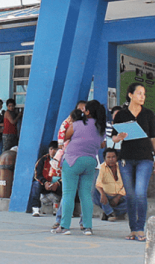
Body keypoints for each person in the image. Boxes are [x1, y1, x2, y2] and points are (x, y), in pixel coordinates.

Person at [53, 100, 122, 236]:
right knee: (86, 195)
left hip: (72, 160)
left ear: (88, 112)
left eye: (85, 110)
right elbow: (102, 145)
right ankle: (87, 227)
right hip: (90, 161)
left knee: (68, 194)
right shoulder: (100, 127)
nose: (83, 112)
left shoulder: (77, 124)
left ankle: (64, 226)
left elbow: (65, 135)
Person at [112, 82, 155, 242]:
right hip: (126, 158)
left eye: (144, 94)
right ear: (130, 95)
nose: (142, 97)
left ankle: (140, 228)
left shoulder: (148, 114)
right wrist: (119, 138)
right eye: (139, 93)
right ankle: (133, 229)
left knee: (140, 193)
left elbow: (153, 137)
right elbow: (113, 136)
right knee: (130, 195)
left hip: (145, 157)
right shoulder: (121, 115)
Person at [28, 141, 62, 216]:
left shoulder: (63, 161)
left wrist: (57, 183)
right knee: (36, 184)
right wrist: (45, 182)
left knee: (69, 186)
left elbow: (67, 175)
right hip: (45, 185)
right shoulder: (43, 160)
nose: (52, 151)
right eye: (51, 149)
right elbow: (37, 175)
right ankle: (35, 209)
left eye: (55, 149)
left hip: (59, 186)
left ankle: (64, 210)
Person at [93, 148, 127, 221]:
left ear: (117, 157)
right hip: (107, 196)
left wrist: (118, 197)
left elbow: (127, 184)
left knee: (134, 200)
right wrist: (102, 194)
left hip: (120, 195)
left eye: (113, 157)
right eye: (108, 157)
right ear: (104, 159)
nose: (111, 159)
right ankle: (110, 213)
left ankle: (108, 212)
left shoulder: (122, 167)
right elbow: (98, 184)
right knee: (94, 192)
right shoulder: (102, 167)